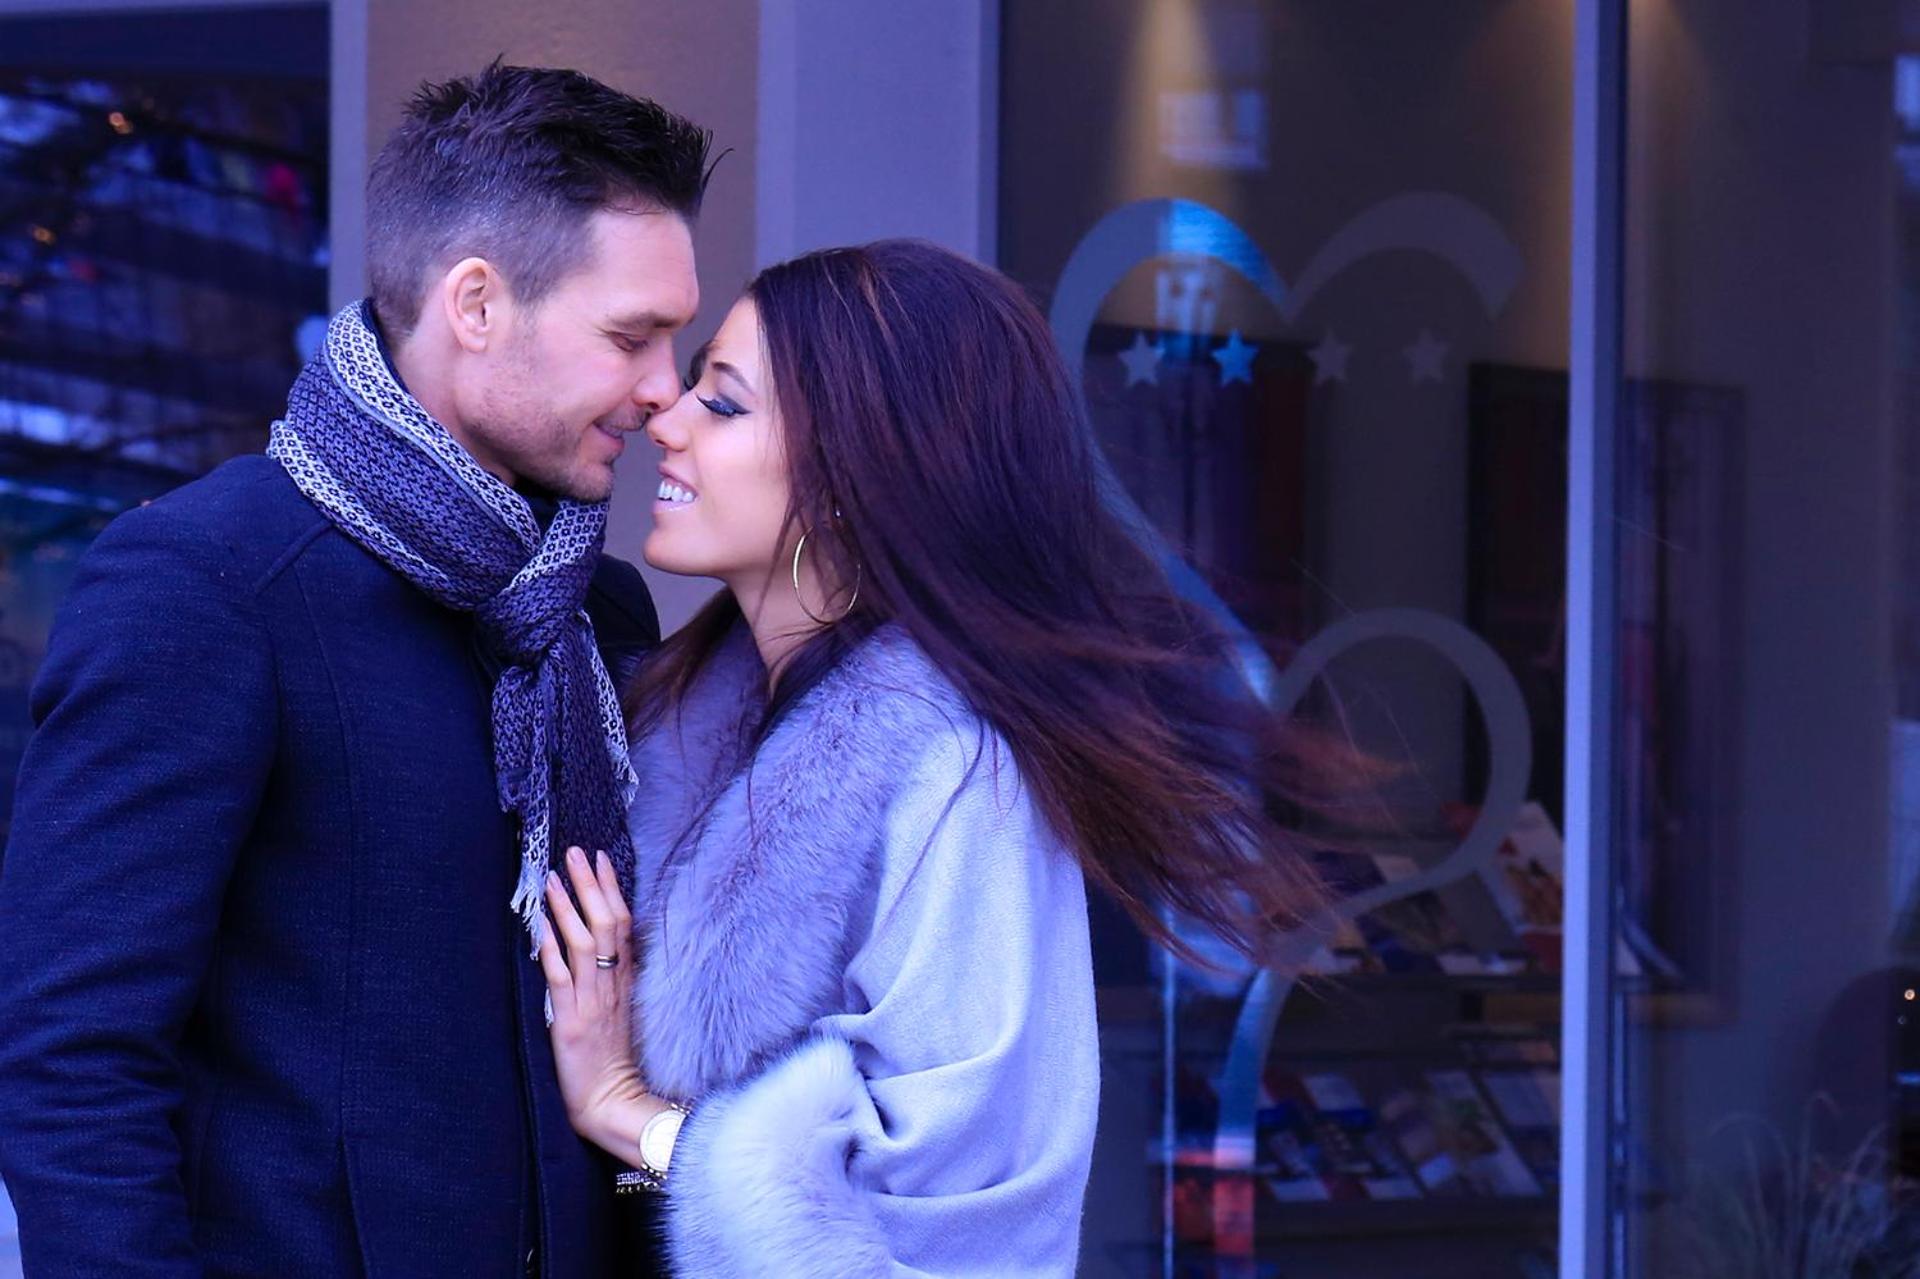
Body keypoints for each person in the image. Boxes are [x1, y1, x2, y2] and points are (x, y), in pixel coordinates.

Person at [0, 64, 708, 1277]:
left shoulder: (594, 608)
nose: (665, 389)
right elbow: (72, 1060)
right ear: (475, 303)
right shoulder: (208, 584)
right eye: (631, 336)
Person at [533, 240, 1348, 1275]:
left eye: (725, 404)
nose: (669, 418)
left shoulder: (959, 771)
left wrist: (627, 1112)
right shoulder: (673, 718)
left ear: (849, 480)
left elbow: (945, 1226)